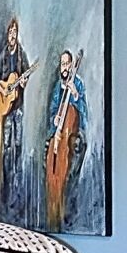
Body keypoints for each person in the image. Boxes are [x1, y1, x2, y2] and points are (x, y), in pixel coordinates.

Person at [0, 18, 35, 222]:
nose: (12, 35)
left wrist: (22, 83)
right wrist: (3, 87)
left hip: (18, 108)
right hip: (6, 110)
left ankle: (16, 192)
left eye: (15, 32)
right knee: (7, 148)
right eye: (10, 32)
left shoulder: (21, 54)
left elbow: (25, 76)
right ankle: (6, 189)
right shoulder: (3, 56)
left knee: (17, 145)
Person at [43, 50, 89, 229]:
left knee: (69, 169)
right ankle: (52, 209)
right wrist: (55, 118)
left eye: (67, 63)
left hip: (73, 138)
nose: (64, 67)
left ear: (71, 65)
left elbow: (84, 113)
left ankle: (66, 210)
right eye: (62, 64)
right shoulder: (57, 88)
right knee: (50, 165)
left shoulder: (78, 84)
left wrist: (75, 95)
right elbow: (53, 111)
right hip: (58, 136)